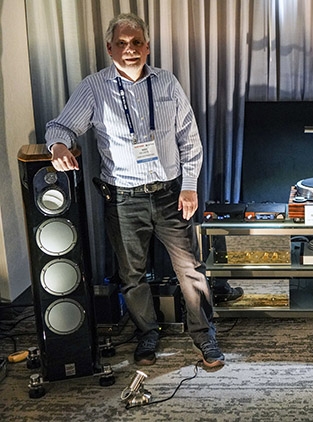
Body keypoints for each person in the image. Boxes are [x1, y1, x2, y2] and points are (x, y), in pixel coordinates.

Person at [45, 13, 241, 368]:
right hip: (122, 199)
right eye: (121, 43)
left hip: (169, 194)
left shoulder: (167, 82)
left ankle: (204, 335)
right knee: (132, 275)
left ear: (147, 47)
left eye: (136, 42)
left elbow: (190, 139)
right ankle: (147, 333)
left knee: (191, 269)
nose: (130, 49)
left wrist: (189, 186)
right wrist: (58, 146)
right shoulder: (93, 88)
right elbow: (61, 126)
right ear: (109, 48)